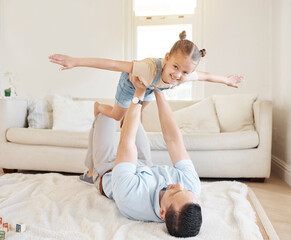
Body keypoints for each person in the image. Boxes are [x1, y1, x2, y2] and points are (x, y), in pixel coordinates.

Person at [80, 75, 202, 238]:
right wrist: (160, 90)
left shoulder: (131, 198)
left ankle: (92, 170)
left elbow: (126, 141)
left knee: (109, 116)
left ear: (162, 212)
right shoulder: (191, 187)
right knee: (128, 118)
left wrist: (140, 91)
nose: (179, 184)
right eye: (185, 189)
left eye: (174, 193)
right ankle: (90, 166)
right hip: (144, 167)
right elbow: (174, 139)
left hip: (108, 169)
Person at [49, 31, 243, 122]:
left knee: (135, 115)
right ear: (166, 58)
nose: (177, 75)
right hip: (133, 83)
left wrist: (227, 80)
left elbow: (207, 76)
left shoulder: (186, 75)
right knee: (119, 116)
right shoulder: (147, 68)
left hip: (152, 87)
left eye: (185, 72)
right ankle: (98, 106)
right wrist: (75, 61)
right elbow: (113, 64)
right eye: (175, 67)